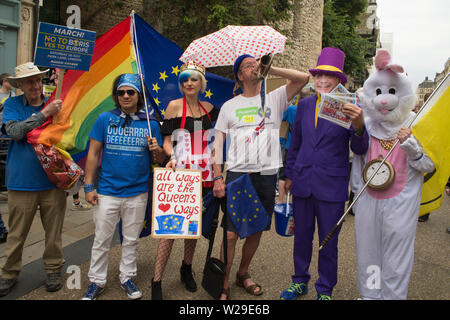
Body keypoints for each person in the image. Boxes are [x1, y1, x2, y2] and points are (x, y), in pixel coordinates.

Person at [212, 54, 309, 300]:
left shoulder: (275, 98)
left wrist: (270, 68)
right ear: (239, 76)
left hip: (266, 173)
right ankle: (223, 280)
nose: (254, 67)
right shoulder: (229, 106)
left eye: (256, 63)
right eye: (248, 65)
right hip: (237, 174)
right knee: (231, 233)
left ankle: (242, 273)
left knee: (256, 229)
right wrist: (217, 177)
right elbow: (218, 143)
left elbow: (303, 78)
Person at [280, 47, 368, 300]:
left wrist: (359, 125)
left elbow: (359, 148)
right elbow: (295, 143)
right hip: (303, 182)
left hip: (331, 185)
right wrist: (289, 175)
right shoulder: (305, 105)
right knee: (302, 238)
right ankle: (299, 281)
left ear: (339, 81)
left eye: (328, 76)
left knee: (328, 241)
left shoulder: (351, 107)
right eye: (318, 75)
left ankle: (325, 288)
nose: (321, 80)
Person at [81, 73, 164, 300]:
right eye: (121, 92)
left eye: (131, 92)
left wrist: (156, 149)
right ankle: (96, 281)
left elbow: (159, 160)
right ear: (116, 95)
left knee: (131, 239)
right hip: (107, 191)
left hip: (137, 192)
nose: (126, 96)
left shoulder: (150, 123)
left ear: (139, 96)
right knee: (102, 239)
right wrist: (88, 186)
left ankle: (127, 276)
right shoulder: (104, 119)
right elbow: (93, 154)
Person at [150, 61, 218, 300]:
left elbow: (215, 140)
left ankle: (186, 268)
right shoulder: (173, 106)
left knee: (192, 228)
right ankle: (156, 280)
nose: (189, 83)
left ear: (201, 83)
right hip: (179, 172)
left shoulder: (210, 108)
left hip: (204, 175)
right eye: (184, 79)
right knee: (169, 228)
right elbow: (167, 140)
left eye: (193, 78)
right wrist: (172, 156)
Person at [0, 62, 66, 297]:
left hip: (53, 182)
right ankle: (9, 273)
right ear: (19, 85)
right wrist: (44, 115)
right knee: (17, 233)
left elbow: (69, 139)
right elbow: (15, 132)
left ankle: (53, 269)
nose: (36, 85)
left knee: (54, 232)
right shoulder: (12, 104)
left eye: (38, 80)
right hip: (21, 181)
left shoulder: (56, 104)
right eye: (30, 81)